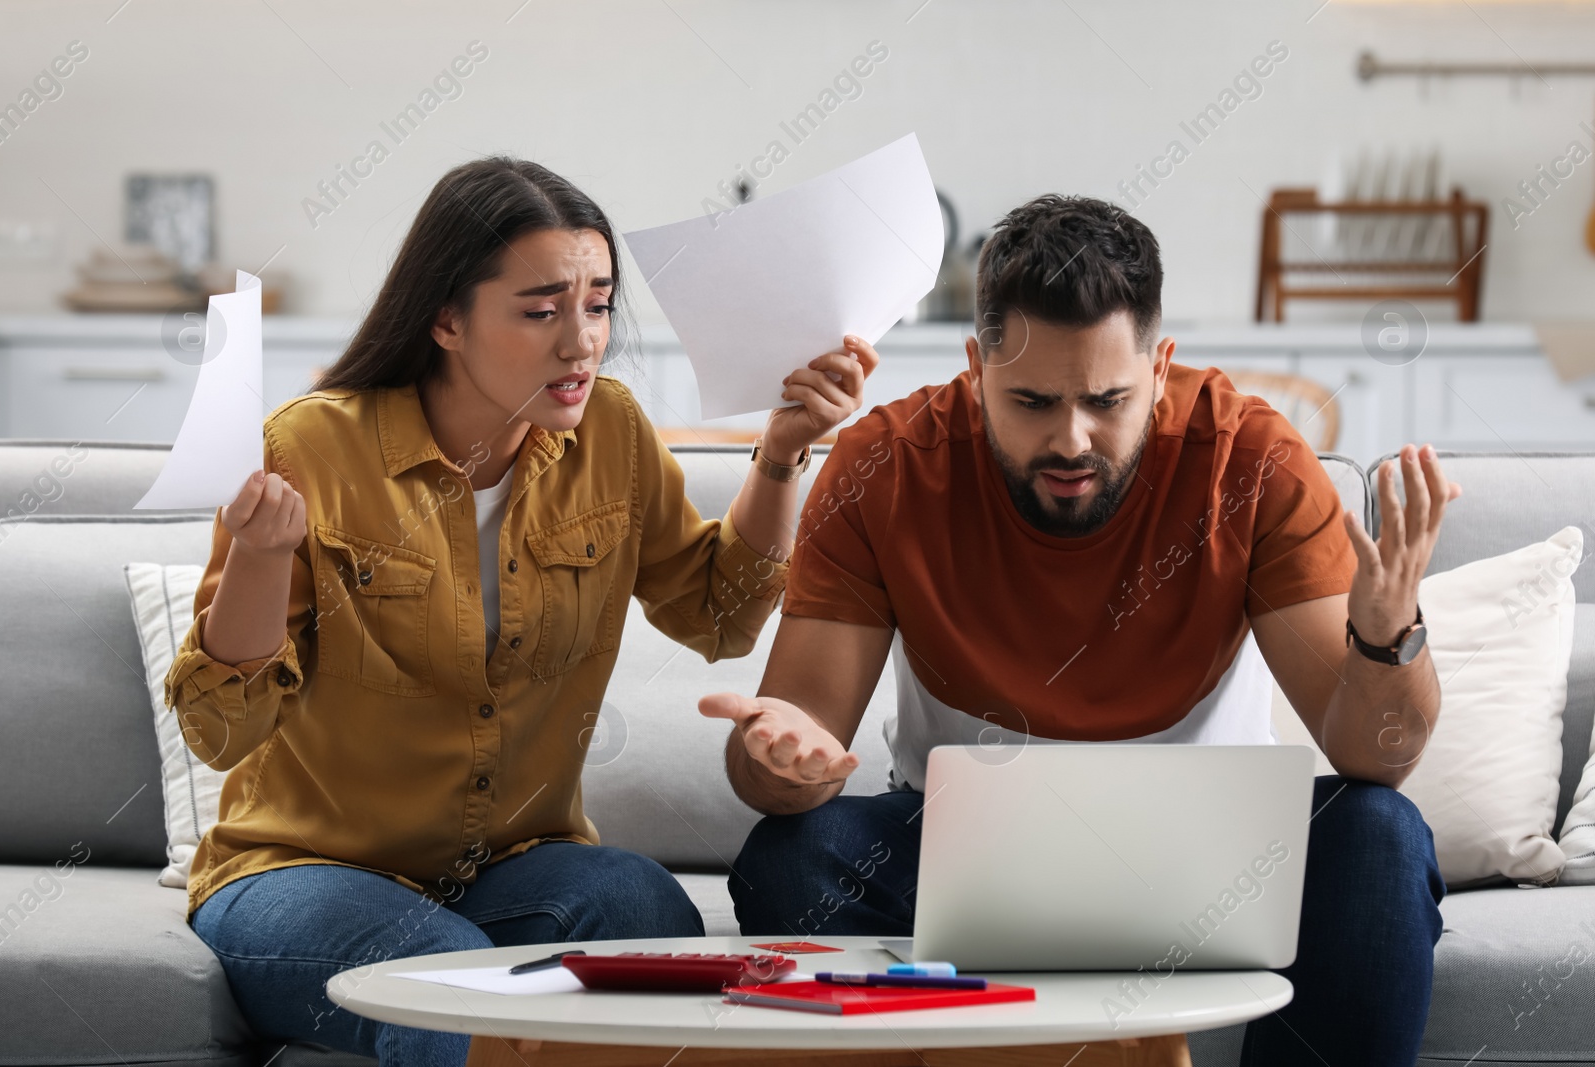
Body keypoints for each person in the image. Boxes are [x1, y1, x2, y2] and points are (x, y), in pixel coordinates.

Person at [702, 195, 1458, 1067]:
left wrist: (1388, 635)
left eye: (1107, 400)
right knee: (789, 860)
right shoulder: (884, 463)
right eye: (1031, 400)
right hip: (966, 860)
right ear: (974, 365)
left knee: (1382, 837)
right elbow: (790, 752)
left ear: (1161, 363)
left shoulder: (1251, 459)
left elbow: (1379, 756)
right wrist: (777, 759)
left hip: (1215, 862)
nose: (1071, 438)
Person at [167, 156, 878, 1065]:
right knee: (448, 982)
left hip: (514, 870)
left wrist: (780, 457)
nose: (583, 343)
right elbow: (220, 730)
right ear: (446, 320)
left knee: (647, 909)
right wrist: (262, 557)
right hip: (302, 873)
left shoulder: (612, 436)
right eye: (542, 310)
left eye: (599, 303)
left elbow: (717, 613)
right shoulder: (312, 444)